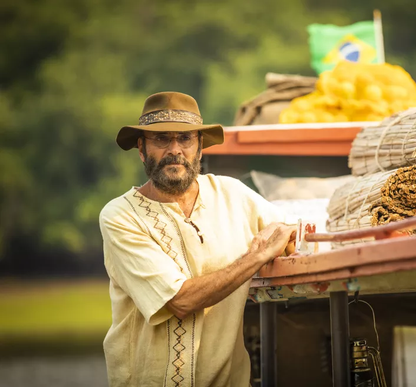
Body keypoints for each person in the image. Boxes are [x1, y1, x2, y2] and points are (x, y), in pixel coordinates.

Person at [98, 91, 296, 387]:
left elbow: (289, 231)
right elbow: (179, 300)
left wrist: (285, 239)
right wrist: (257, 256)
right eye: (161, 139)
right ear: (141, 149)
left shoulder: (232, 194)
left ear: (200, 148)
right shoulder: (120, 216)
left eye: (185, 138)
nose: (174, 149)